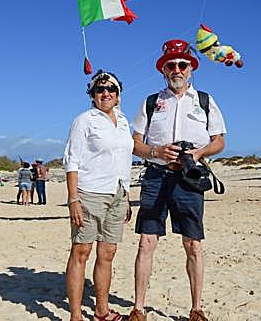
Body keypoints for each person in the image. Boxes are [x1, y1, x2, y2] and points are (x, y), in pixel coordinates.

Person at [127, 40, 226, 321]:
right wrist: (156, 151)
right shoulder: (151, 102)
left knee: (193, 244)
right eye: (171, 65)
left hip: (189, 179)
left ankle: (196, 308)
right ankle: (138, 308)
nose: (177, 70)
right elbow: (135, 143)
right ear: (163, 70)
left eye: (182, 64)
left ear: (191, 68)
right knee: (147, 242)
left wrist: (200, 152)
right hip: (156, 176)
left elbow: (219, 140)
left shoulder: (205, 101)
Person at [63, 70, 133, 321]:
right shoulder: (84, 120)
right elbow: (71, 161)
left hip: (117, 193)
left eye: (111, 89)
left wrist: (126, 195)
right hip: (89, 193)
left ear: (118, 94)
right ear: (92, 95)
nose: (106, 93)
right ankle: (75, 315)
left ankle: (102, 311)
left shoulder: (124, 121)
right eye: (100, 89)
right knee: (81, 251)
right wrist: (73, 199)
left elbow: (125, 159)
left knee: (108, 253)